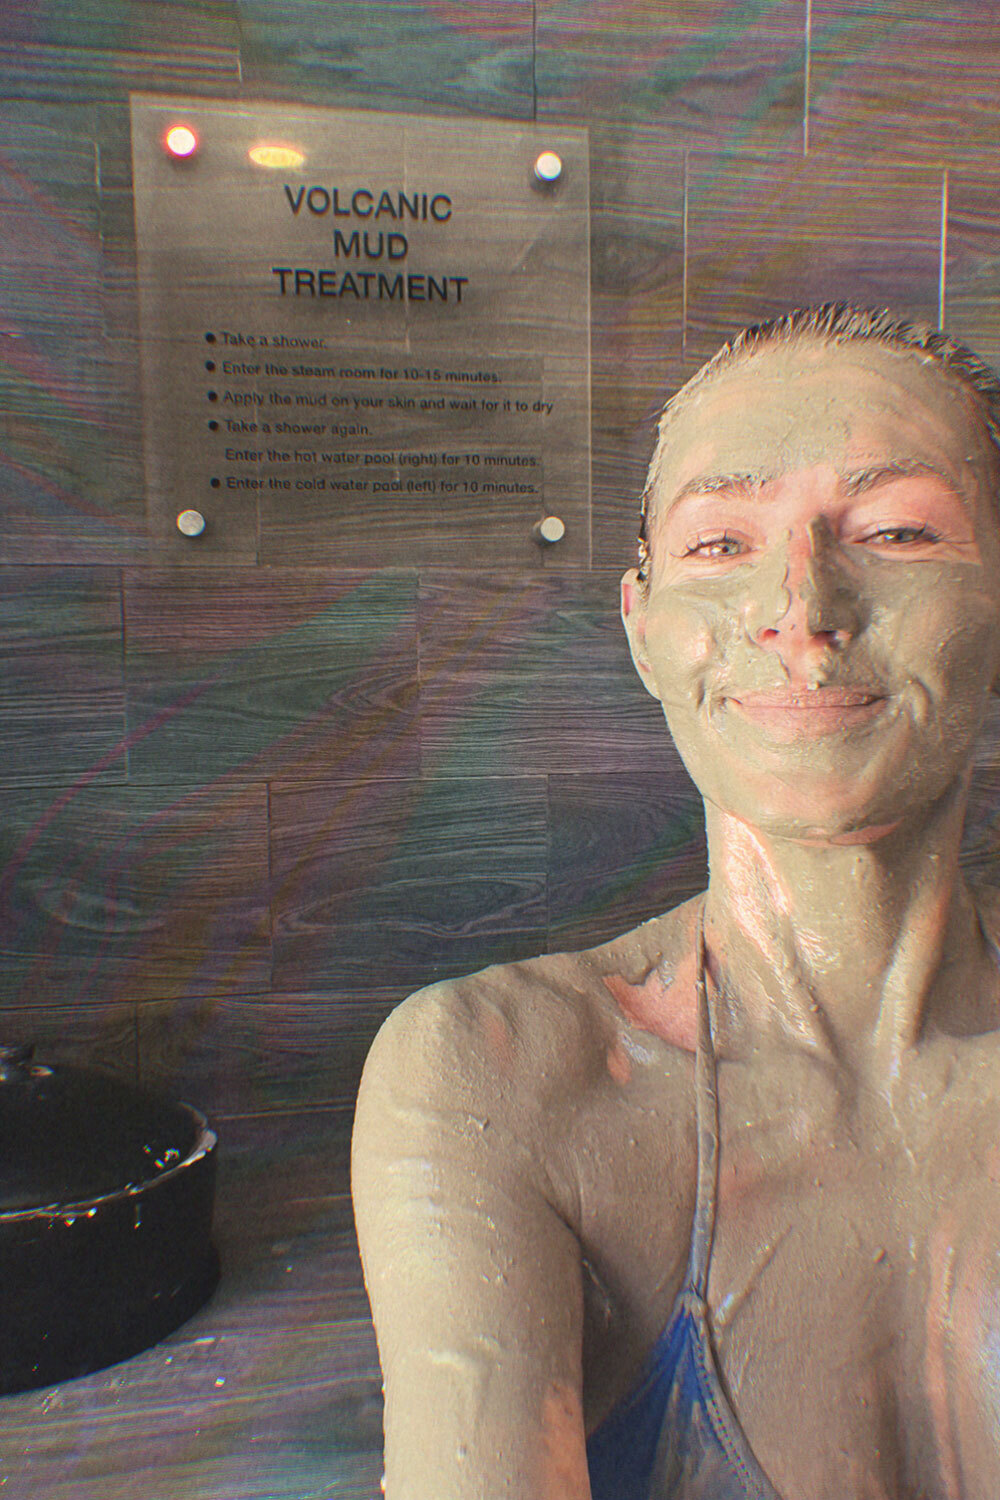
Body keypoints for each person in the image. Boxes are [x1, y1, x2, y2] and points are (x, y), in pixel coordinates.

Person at [351, 303, 1000, 1499]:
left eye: (897, 531)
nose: (801, 608)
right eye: (719, 543)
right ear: (643, 632)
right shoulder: (502, 1077)